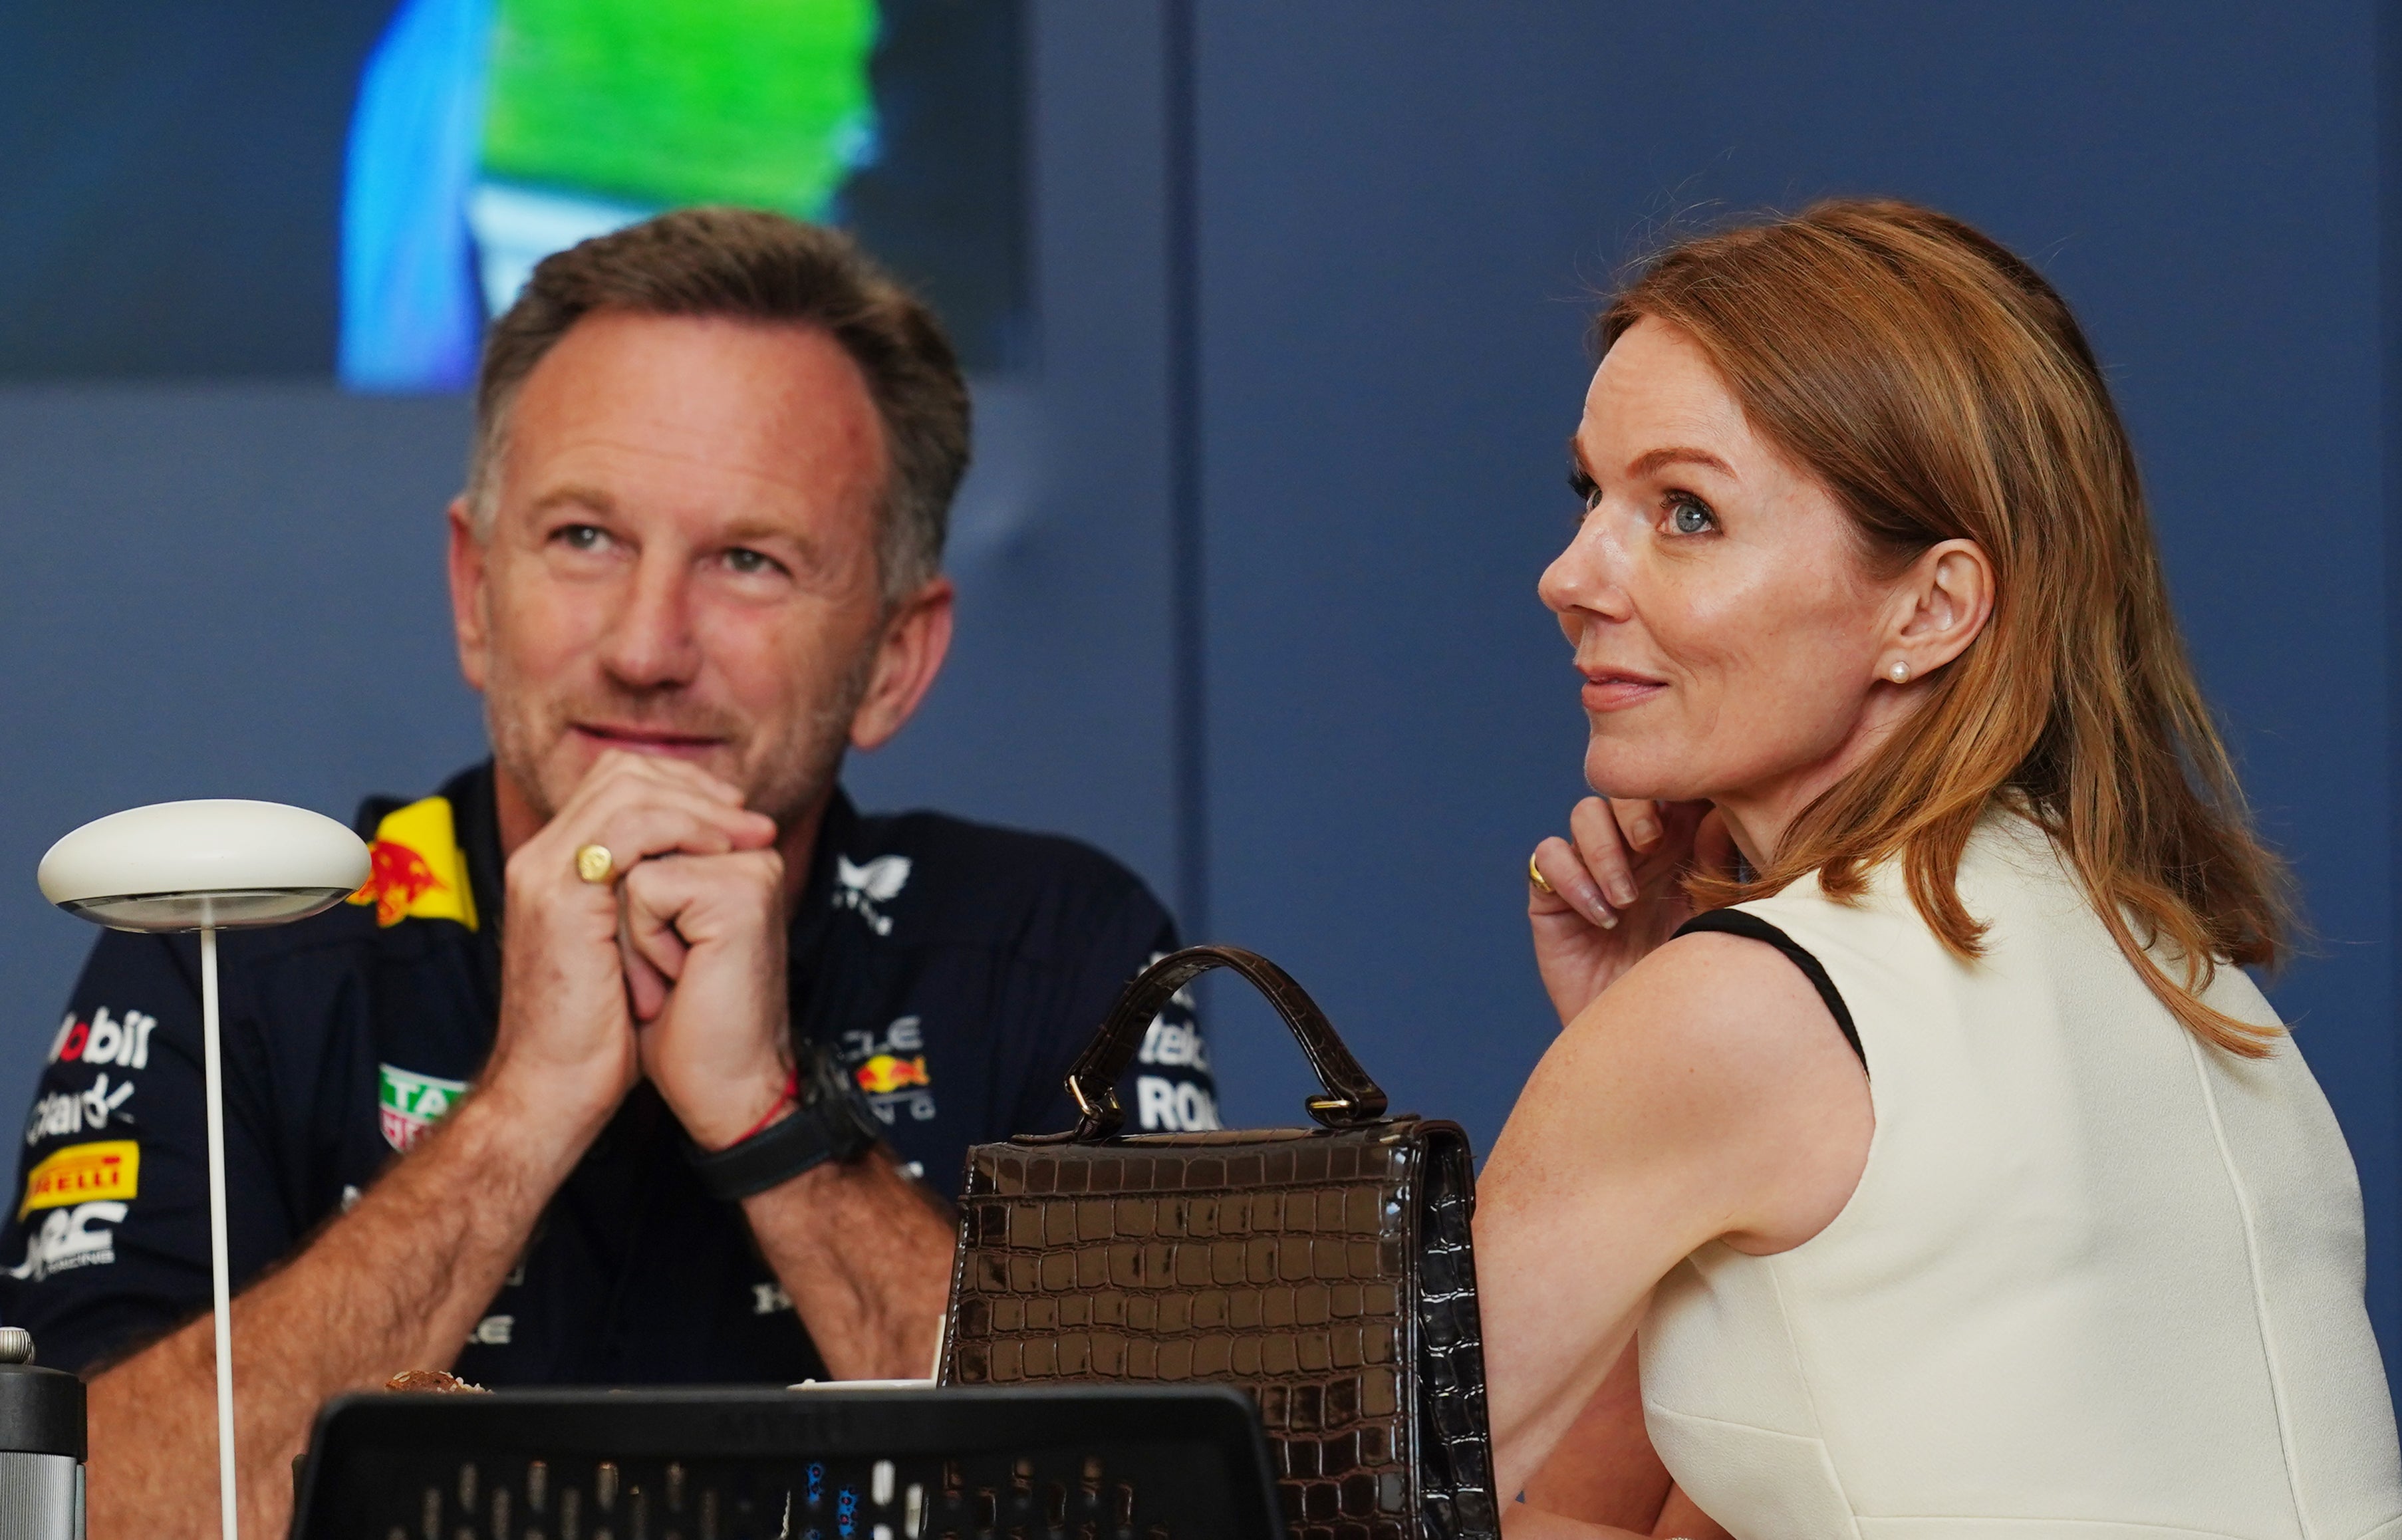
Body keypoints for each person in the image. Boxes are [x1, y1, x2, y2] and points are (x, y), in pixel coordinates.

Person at [0, 207, 1220, 1540]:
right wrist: (519, 1112)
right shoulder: (227, 949)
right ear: (475, 592)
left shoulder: (1059, 952)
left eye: (748, 561)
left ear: (893, 658)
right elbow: (79, 1518)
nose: (647, 648)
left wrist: (780, 1127)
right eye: (585, 537)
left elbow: (1170, 1516)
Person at [1476, 199, 2402, 1537]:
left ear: (1932, 607)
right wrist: (1643, 1058)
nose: (1570, 577)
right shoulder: (2182, 974)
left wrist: (1667, 1040)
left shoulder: (1749, 1017)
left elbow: (1323, 1506)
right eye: (1591, 496)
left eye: (1685, 512)